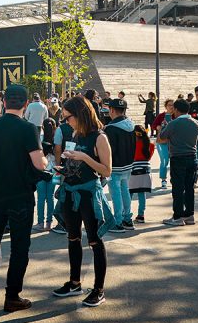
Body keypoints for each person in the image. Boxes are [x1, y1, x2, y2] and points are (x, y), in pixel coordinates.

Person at [0, 84, 48, 311]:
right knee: (19, 248)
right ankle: (12, 296)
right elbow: (39, 163)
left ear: (4, 102)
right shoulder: (28, 129)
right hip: (20, 195)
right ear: (26, 104)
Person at [51, 95, 113, 306]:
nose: (66, 121)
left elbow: (107, 170)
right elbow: (73, 162)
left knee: (95, 241)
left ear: (80, 115)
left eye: (68, 117)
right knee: (73, 238)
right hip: (69, 191)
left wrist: (85, 158)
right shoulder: (76, 134)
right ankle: (75, 282)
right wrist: (63, 167)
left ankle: (99, 289)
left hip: (88, 194)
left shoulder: (99, 137)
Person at [160, 98, 198, 227]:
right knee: (189, 187)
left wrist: (164, 126)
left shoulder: (174, 123)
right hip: (192, 157)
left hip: (178, 158)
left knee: (178, 188)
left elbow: (162, 136)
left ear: (176, 109)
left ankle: (177, 216)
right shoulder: (196, 122)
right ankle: (189, 214)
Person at [102, 97, 138, 231]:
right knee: (125, 191)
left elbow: (109, 149)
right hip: (128, 164)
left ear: (111, 110)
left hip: (115, 165)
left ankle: (118, 221)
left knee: (116, 193)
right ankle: (127, 219)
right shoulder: (131, 125)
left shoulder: (111, 128)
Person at [153, 99, 176, 190]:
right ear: (166, 106)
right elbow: (154, 125)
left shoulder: (176, 116)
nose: (171, 107)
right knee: (165, 160)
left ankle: (174, 179)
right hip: (162, 142)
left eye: (173, 105)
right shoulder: (161, 116)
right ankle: (163, 179)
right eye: (169, 105)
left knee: (174, 161)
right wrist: (158, 127)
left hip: (174, 142)